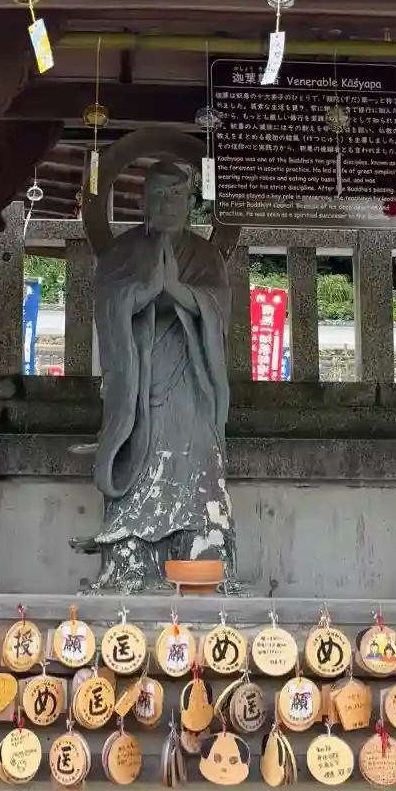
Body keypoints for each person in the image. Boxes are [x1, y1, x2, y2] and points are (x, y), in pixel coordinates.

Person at [83, 157, 235, 592]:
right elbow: (108, 304)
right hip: (139, 384)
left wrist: (179, 292)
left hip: (190, 381)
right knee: (139, 464)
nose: (167, 204)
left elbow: (217, 307)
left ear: (190, 202)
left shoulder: (205, 254)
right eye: (158, 195)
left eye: (176, 195)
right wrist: (145, 292)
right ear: (141, 201)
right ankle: (129, 559)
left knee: (196, 464)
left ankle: (200, 550)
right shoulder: (120, 253)